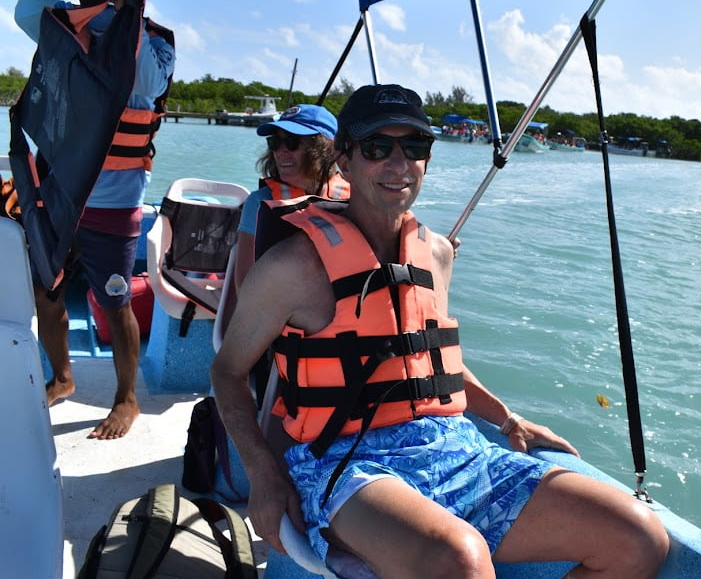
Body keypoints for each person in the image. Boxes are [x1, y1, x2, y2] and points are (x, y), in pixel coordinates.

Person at [211, 84, 669, 577]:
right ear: (343, 159)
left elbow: (431, 361)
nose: (398, 162)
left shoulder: (437, 254)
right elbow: (228, 371)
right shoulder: (291, 267)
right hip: (345, 466)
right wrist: (262, 473)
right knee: (461, 560)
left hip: (456, 448)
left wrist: (507, 418)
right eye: (376, 147)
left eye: (414, 146)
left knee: (639, 537)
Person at [15, 0, 176, 439]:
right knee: (46, 292)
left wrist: (130, 9)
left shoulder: (157, 41)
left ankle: (126, 398)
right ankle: (63, 377)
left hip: (114, 202)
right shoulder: (60, 24)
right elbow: (25, 10)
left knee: (114, 300)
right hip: (59, 195)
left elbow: (146, 82)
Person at [235, 104, 347, 294]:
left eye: (292, 142)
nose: (280, 152)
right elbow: (245, 287)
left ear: (326, 148)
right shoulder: (259, 203)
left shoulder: (357, 201)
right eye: (275, 143)